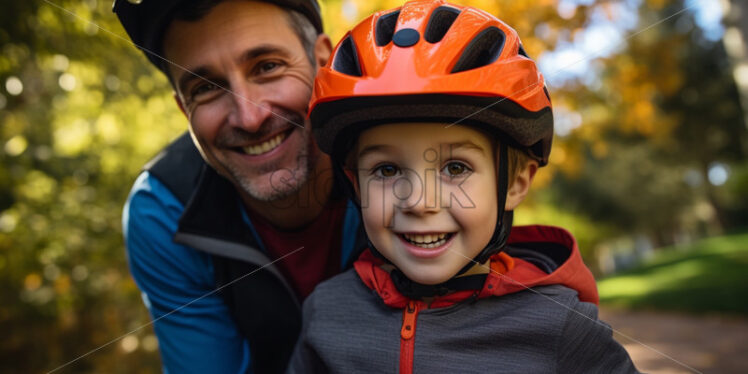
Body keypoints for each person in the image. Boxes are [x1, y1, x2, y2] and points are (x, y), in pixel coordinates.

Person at [288, 1, 640, 373]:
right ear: (356, 185)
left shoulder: (561, 327)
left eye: (455, 167)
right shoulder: (325, 314)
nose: (420, 202)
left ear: (515, 184)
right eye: (387, 170)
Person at [114, 1, 366, 373]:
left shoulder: (406, 158)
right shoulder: (164, 211)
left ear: (323, 61)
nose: (250, 117)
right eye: (206, 88)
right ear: (185, 110)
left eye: (267, 67)